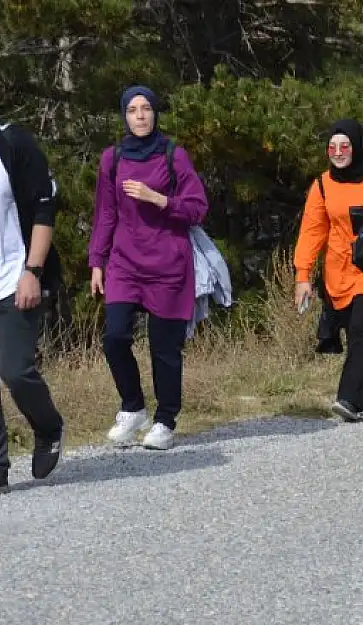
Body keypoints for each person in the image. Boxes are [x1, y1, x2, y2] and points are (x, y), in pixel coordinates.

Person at [90, 86, 209, 451]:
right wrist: (97, 261)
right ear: (124, 116)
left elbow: (197, 208)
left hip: (169, 264)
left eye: (146, 109)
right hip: (125, 263)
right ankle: (133, 408)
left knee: (164, 349)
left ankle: (165, 420)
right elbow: (106, 214)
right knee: (115, 338)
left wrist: (158, 199)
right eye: (132, 110)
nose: (140, 115)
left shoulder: (174, 156)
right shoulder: (112, 158)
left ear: (155, 114)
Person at [0, 68, 66, 493]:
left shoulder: (13, 144)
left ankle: (48, 426)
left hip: (17, 277)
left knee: (14, 371)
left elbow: (44, 210)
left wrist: (32, 272)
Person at [294, 119, 363, 420]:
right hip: (338, 273)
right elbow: (312, 232)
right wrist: (303, 276)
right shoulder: (322, 185)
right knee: (354, 332)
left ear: (357, 147)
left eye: (345, 146)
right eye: (332, 147)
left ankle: (348, 397)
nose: (338, 152)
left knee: (360, 326)